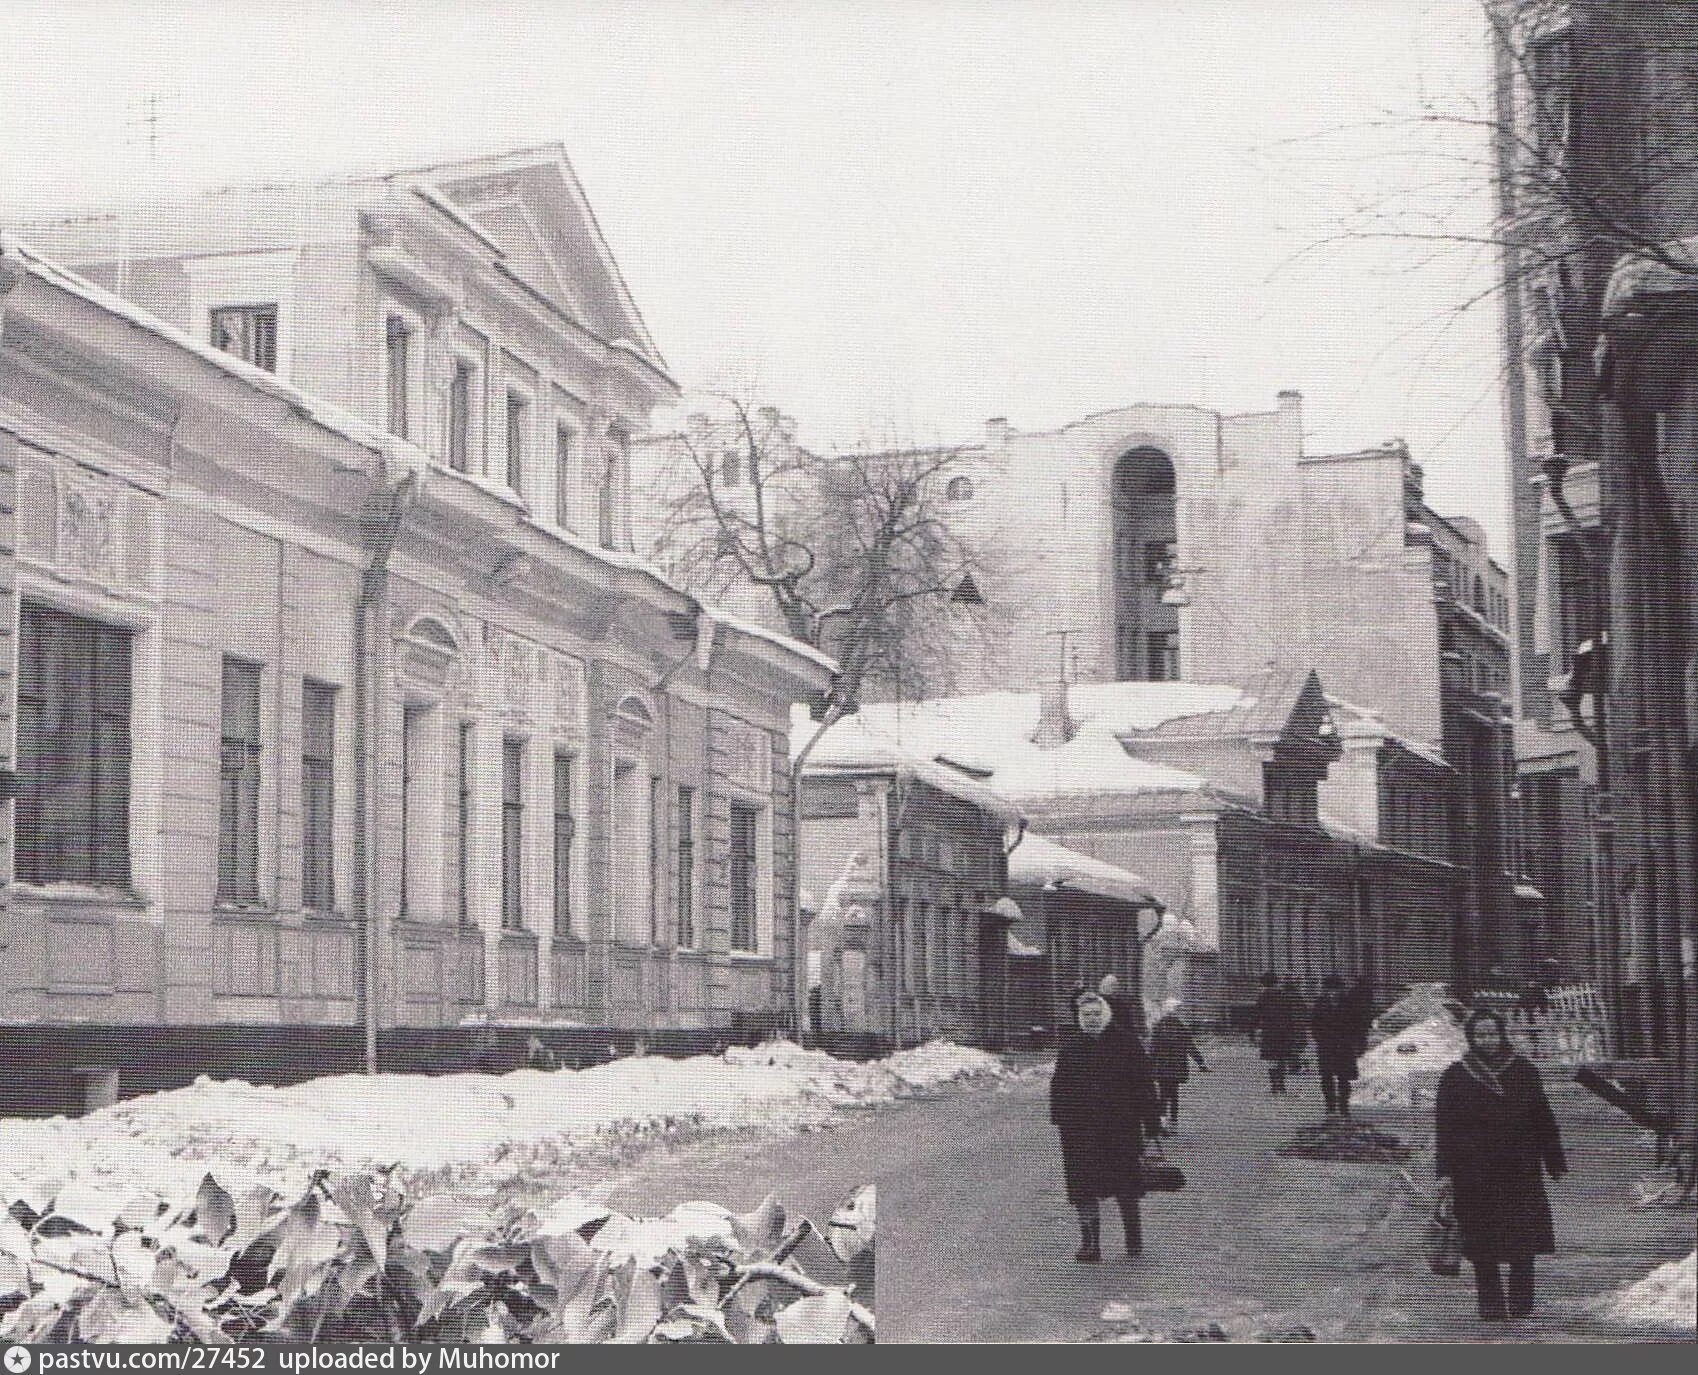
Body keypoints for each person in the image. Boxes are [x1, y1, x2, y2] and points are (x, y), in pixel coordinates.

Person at [1435, 1009, 1568, 1321]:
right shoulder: (1455, 1076)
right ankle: (1491, 1304)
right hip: (1473, 1171)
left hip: (1518, 1168)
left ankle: (1521, 1302)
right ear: (1471, 1037)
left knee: (1522, 1237)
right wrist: (1444, 1171)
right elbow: (1445, 1128)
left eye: (1492, 1034)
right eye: (1480, 1035)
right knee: (1482, 1242)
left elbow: (1542, 1117)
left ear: (1502, 1034)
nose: (1487, 1041)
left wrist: (1554, 1159)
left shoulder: (1524, 1071)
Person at [1049, 990, 1163, 1262]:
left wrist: (1151, 1125)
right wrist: (1063, 1121)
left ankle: (1133, 1240)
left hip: (1120, 1130)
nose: (1091, 1019)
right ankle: (1090, 1244)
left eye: (1096, 1014)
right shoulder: (1071, 1048)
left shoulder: (1127, 1044)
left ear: (1106, 1014)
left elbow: (1145, 1087)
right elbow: (1059, 1088)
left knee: (1126, 1186)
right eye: (1086, 1015)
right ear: (1079, 1018)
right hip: (1081, 1133)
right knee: (1083, 1189)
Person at [1148, 997, 1209, 1131]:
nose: (1177, 1012)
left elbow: (1152, 1049)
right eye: (1176, 1009)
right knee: (1174, 1095)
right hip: (1176, 1066)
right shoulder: (1181, 1027)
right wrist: (1201, 1063)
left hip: (1162, 1067)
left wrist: (1148, 1066)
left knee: (1163, 1095)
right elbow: (1191, 1046)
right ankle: (1173, 1123)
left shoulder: (1158, 1027)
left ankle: (1163, 1123)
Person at [1309, 975, 1360, 1118]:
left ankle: (1344, 1106)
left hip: (1344, 1046)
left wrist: (1351, 1040)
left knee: (1344, 1078)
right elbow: (1314, 1024)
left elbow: (1355, 1024)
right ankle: (1330, 1106)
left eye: (1336, 989)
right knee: (1326, 1077)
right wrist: (1320, 1039)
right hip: (1326, 1046)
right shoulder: (1320, 1003)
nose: (1333, 993)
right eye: (1329, 990)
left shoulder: (1348, 1003)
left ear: (1341, 990)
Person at [1251, 972, 1297, 1093]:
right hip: (1283, 1033)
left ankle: (1274, 1085)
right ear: (1276, 983)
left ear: (1264, 984)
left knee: (1271, 1060)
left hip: (1269, 1033)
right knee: (1281, 1059)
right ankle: (1281, 1084)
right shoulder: (1284, 996)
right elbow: (1291, 1016)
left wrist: (1253, 1032)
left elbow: (1256, 1016)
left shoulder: (1262, 997)